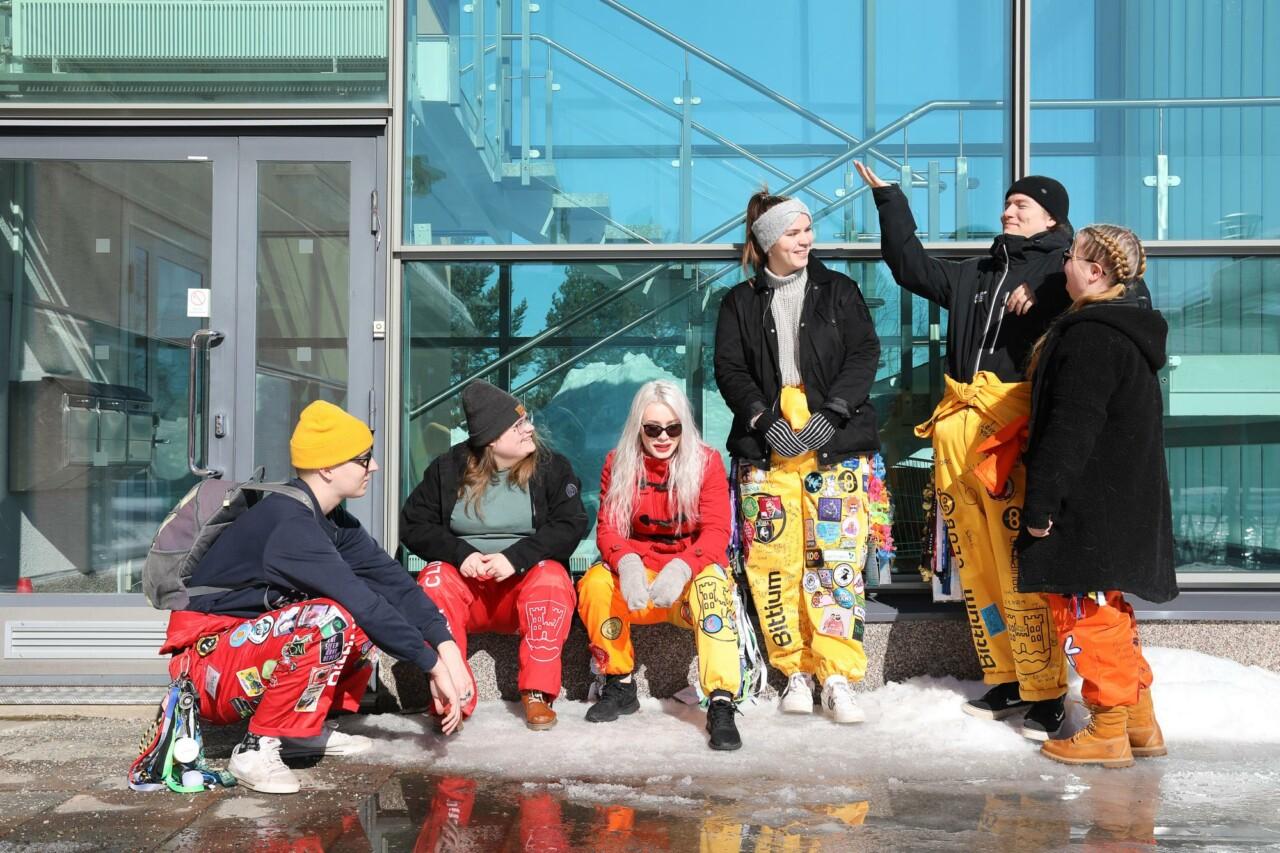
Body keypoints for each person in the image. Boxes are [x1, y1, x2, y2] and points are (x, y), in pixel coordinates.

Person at [855, 162, 1070, 739]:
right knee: (975, 566)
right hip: (956, 428)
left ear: (1052, 218)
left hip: (1011, 434)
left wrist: (1050, 285)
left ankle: (1046, 690)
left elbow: (1110, 281)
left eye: (1021, 205)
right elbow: (910, 266)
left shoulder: (1063, 269)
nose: (1008, 211)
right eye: (1006, 204)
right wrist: (889, 200)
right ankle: (1004, 673)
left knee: (1016, 565)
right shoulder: (976, 273)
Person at [159, 400, 470, 795]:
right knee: (332, 618)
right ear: (326, 467)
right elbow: (361, 601)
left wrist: (446, 646)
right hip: (207, 668)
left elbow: (392, 582)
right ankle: (256, 748)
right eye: (363, 459)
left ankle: (301, 732)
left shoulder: (330, 518)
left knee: (356, 618)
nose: (373, 467)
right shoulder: (289, 525)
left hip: (243, 650)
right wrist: (431, 666)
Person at [714, 190, 890, 724]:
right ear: (768, 241)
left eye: (808, 229)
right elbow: (730, 369)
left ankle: (836, 675)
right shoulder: (738, 302)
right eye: (794, 232)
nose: (806, 240)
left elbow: (865, 354)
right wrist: (764, 423)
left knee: (835, 561)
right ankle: (793, 670)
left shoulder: (840, 291)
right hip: (768, 451)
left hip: (836, 445)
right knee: (774, 561)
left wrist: (831, 414)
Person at [1016, 224, 1177, 767]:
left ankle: (1107, 730)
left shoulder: (1091, 336)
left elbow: (1070, 430)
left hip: (1091, 506)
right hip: (1119, 502)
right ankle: (1138, 722)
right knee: (1110, 608)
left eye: (1071, 257)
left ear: (1095, 272)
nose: (1063, 265)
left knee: (1088, 612)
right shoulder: (1125, 332)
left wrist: (1041, 508)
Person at [400, 380, 587, 732]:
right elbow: (413, 523)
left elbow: (571, 523)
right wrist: (460, 555)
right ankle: (453, 691)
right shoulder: (448, 469)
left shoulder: (551, 467)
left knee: (552, 577)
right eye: (517, 425)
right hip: (467, 592)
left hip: (521, 590)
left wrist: (516, 558)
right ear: (491, 439)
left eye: (525, 420)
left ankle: (537, 692)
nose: (529, 427)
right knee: (433, 578)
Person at [577, 380, 742, 750]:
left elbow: (717, 531)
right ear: (639, 427)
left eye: (673, 428)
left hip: (688, 581)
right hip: (641, 588)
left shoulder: (707, 462)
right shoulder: (617, 463)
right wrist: (628, 564)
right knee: (595, 584)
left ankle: (721, 701)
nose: (663, 437)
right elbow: (607, 530)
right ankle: (618, 683)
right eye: (653, 429)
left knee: (714, 589)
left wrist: (684, 567)